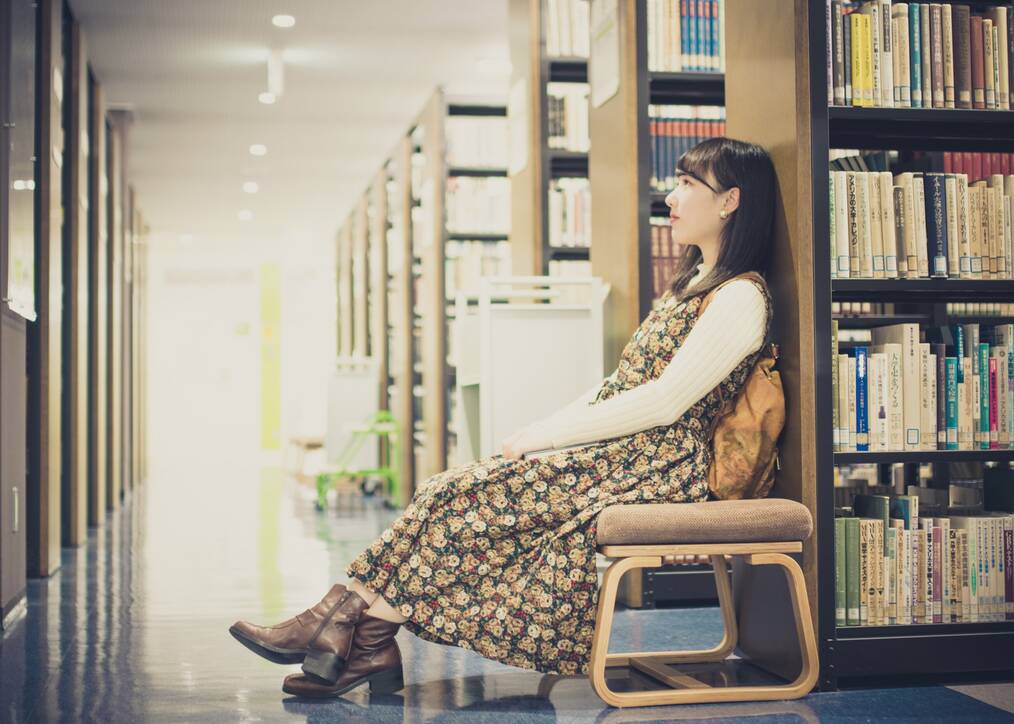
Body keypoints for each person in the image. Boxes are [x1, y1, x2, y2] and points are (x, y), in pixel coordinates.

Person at [229, 137, 778, 699]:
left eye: (689, 184)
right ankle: (359, 635)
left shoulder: (741, 298)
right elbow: (617, 387)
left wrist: (548, 434)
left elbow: (666, 402)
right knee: (450, 489)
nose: (671, 197)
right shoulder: (687, 290)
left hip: (662, 465)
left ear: (731, 200)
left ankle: (343, 630)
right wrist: (543, 432)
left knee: (461, 494)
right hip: (624, 453)